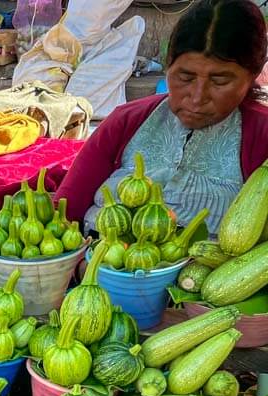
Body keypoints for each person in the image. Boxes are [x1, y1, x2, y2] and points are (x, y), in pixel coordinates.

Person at [56, 0, 268, 233]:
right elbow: (64, 212)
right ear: (168, 67)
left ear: (253, 75)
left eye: (220, 81)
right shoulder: (125, 121)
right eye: (185, 77)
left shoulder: (262, 136)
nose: (197, 97)